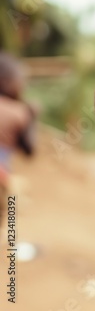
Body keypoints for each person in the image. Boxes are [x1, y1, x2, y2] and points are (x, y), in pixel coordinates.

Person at [0, 52, 36, 224]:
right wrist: (32, 118)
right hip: (3, 176)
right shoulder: (19, 112)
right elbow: (29, 150)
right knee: (10, 213)